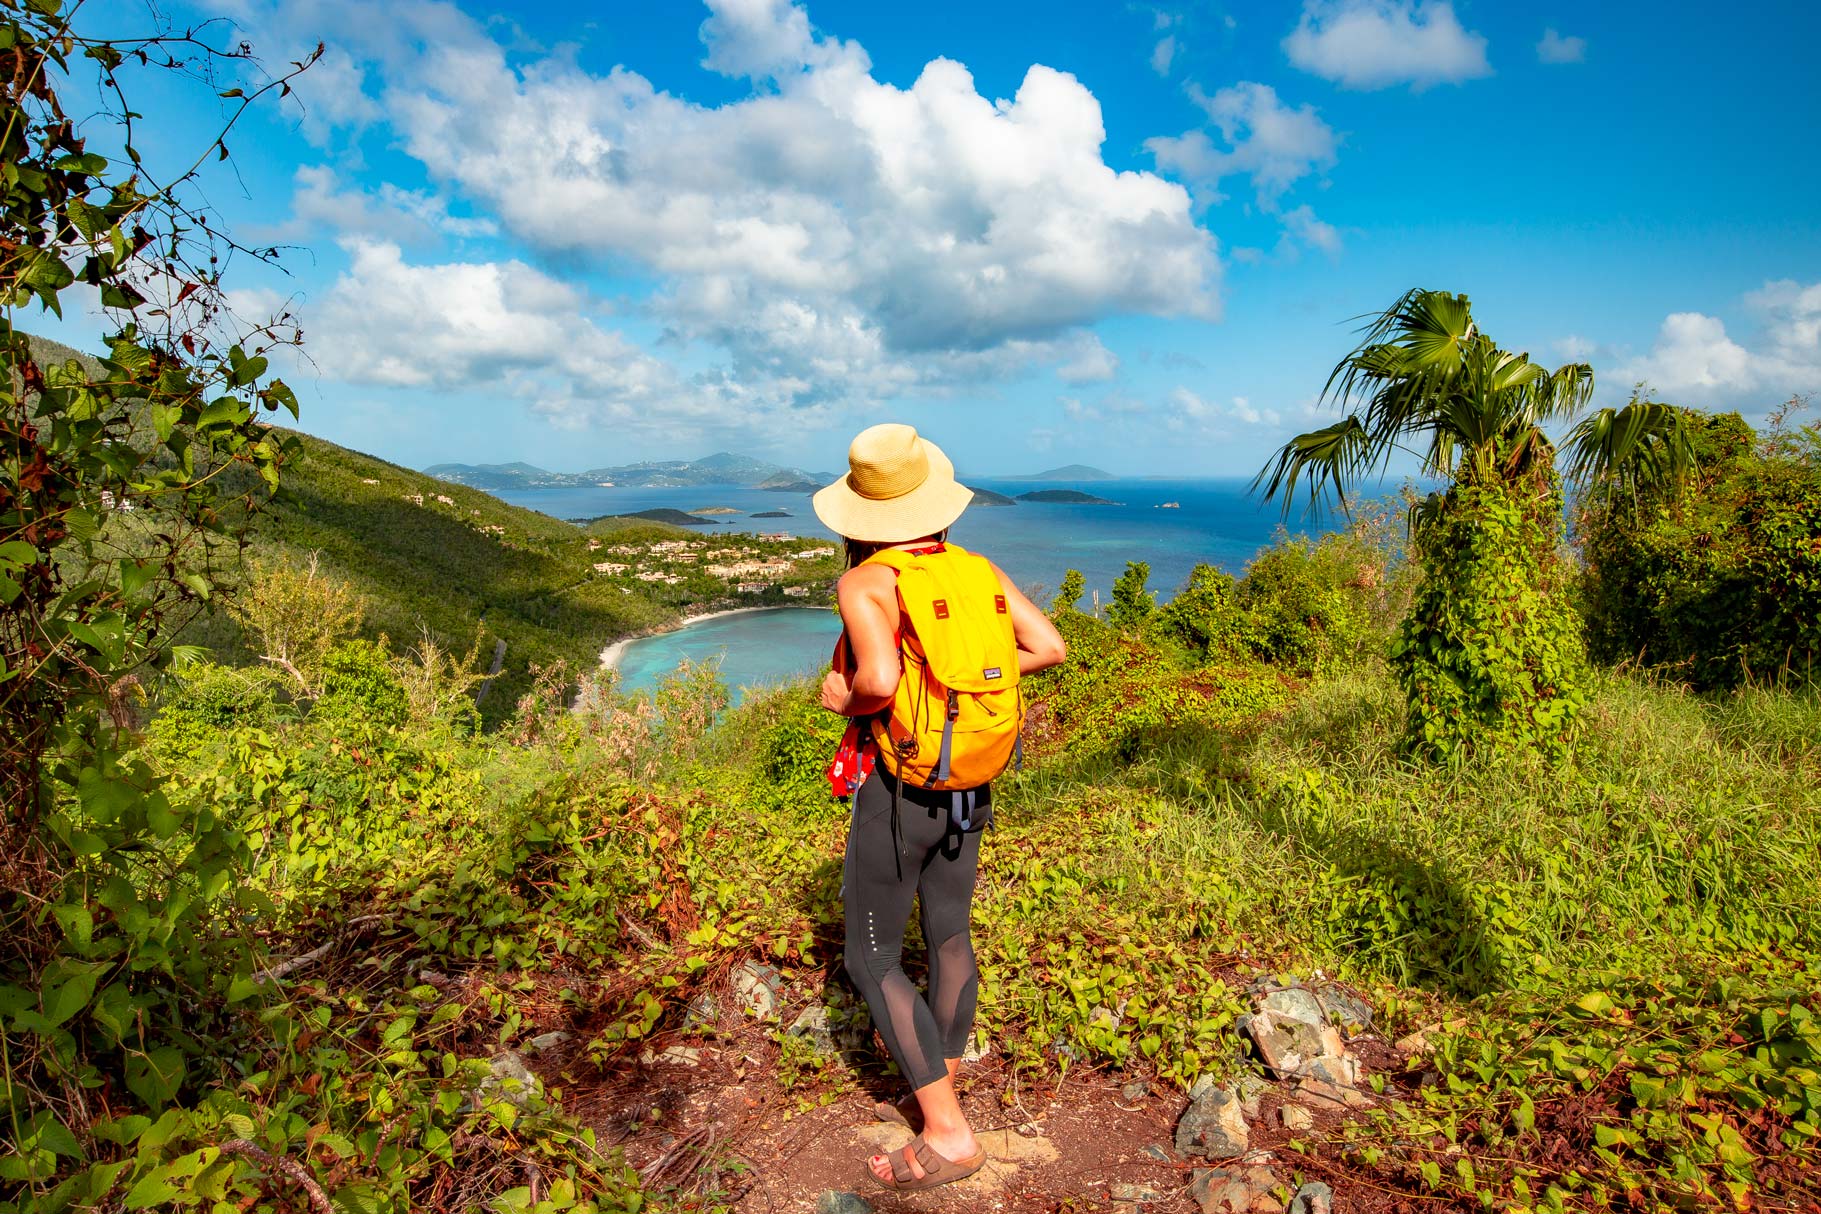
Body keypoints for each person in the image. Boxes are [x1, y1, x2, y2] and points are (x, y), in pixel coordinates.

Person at [813, 423, 1066, 1192]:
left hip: (901, 792)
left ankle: (949, 1135)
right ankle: (939, 1083)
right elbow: (1048, 646)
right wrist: (957, 689)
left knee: (872, 956)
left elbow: (881, 680)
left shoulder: (866, 581)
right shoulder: (972, 566)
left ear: (861, 516)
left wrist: (841, 696)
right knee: (949, 931)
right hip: (969, 782)